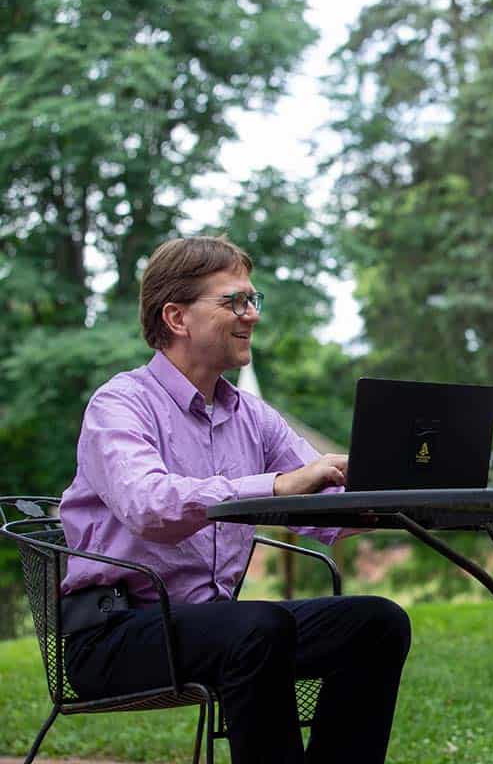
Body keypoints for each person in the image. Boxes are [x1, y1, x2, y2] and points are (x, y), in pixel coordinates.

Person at [59, 236, 410, 764]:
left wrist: (395, 483)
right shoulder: (120, 404)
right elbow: (148, 506)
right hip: (112, 634)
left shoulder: (253, 416)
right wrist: (274, 485)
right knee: (256, 627)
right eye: (234, 302)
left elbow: (327, 513)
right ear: (177, 317)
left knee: (377, 623)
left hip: (215, 627)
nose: (252, 315)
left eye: (253, 300)